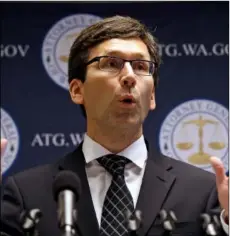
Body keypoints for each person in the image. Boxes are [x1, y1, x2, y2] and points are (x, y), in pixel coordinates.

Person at [1, 15, 229, 236]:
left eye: (140, 66)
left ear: (151, 97)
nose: (129, 76)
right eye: (112, 63)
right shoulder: (26, 194)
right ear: (77, 90)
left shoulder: (205, 192)